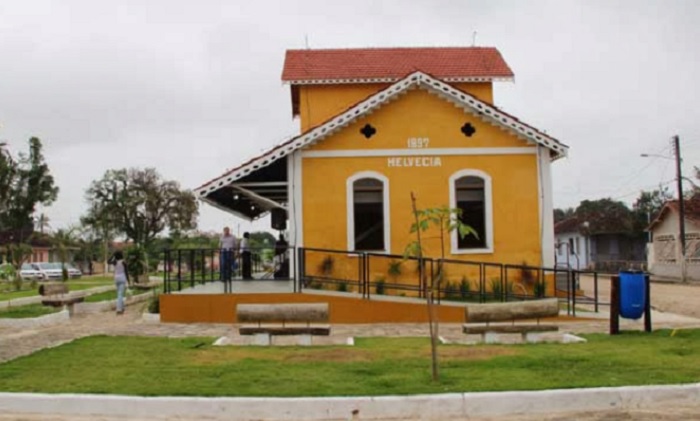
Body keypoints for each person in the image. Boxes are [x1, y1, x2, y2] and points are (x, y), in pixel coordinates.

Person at [112, 250, 129, 315]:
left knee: (119, 294)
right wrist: (128, 281)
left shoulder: (114, 262)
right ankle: (119, 309)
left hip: (116, 279)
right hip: (122, 278)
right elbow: (126, 272)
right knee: (120, 294)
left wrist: (113, 255)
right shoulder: (123, 262)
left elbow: (108, 261)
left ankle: (122, 308)